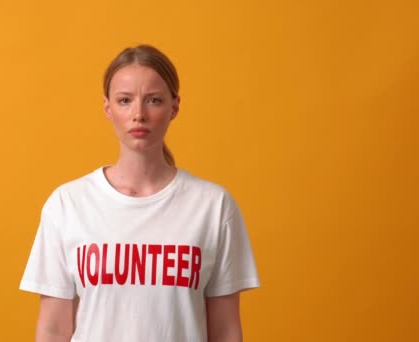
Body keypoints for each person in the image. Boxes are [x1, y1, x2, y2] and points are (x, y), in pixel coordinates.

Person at [20, 44, 260, 342]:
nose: (138, 114)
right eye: (124, 100)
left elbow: (225, 330)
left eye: (154, 100)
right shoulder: (68, 204)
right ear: (108, 108)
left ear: (174, 106)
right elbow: (53, 329)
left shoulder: (213, 206)